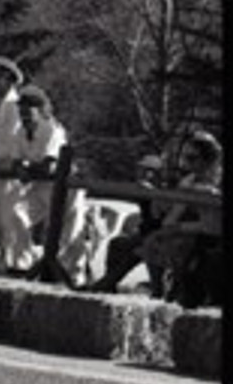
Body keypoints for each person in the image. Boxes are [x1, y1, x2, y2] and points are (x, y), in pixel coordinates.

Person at [11, 86, 93, 286]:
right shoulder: (20, 131)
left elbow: (48, 166)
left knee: (71, 233)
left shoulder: (52, 130)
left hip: (67, 189)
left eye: (28, 111)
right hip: (41, 187)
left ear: (40, 111)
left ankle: (76, 279)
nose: (24, 116)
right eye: (21, 111)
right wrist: (19, 167)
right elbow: (15, 160)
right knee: (15, 213)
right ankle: (24, 265)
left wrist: (25, 169)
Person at [140, 130, 223, 307]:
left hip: (209, 236)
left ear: (209, 159)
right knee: (148, 241)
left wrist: (177, 226)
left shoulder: (215, 184)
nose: (186, 164)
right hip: (196, 233)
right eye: (185, 158)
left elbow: (214, 224)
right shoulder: (190, 181)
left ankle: (167, 294)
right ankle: (160, 294)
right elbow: (172, 215)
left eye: (192, 158)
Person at [88, 153, 166, 294]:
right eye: (141, 169)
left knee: (138, 252)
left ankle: (105, 285)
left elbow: (158, 214)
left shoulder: (161, 189)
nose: (141, 173)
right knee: (117, 244)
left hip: (159, 236)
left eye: (146, 170)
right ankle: (107, 287)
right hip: (146, 234)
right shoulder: (147, 188)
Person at [0, 56, 30, 273]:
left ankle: (18, 266)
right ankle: (5, 264)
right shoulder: (2, 106)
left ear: (9, 80)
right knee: (1, 224)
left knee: (13, 221)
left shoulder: (14, 106)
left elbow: (13, 141)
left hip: (10, 173)